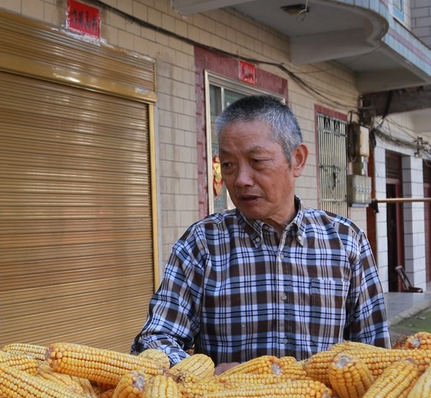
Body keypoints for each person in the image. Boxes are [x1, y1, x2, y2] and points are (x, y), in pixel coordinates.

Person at [131, 94, 390, 372]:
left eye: (257, 161)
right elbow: (154, 340)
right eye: (228, 165)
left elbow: (374, 350)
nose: (241, 180)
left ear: (297, 160)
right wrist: (205, 374)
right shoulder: (202, 243)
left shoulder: (345, 241)